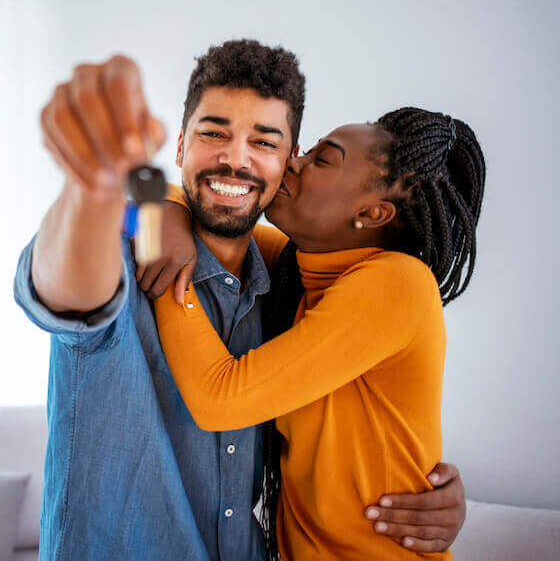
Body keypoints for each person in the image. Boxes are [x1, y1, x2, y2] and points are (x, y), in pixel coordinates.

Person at [14, 41, 467, 560]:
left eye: (269, 143)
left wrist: (447, 496)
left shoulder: (339, 281)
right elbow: (65, 281)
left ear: (284, 163)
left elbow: (225, 400)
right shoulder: (163, 246)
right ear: (180, 146)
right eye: (214, 133)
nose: (237, 157)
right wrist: (104, 193)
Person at [149, 107, 484, 559]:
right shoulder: (297, 271)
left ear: (372, 212)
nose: (290, 160)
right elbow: (174, 203)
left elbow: (218, 399)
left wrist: (170, 269)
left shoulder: (397, 282)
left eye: (322, 160)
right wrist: (167, 211)